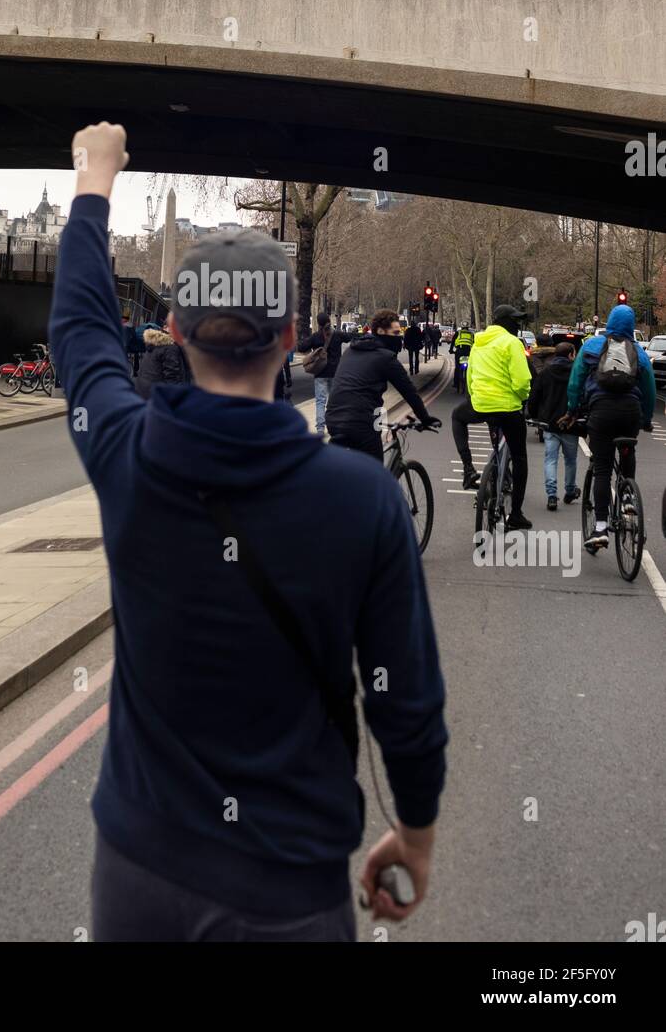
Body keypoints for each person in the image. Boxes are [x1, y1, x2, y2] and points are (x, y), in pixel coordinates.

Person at [50, 126, 448, 943]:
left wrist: (94, 180)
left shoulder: (129, 453)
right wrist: (415, 834)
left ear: (177, 331)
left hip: (138, 875)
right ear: (293, 338)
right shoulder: (361, 497)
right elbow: (401, 701)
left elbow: (82, 335)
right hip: (288, 888)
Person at [564, 304, 655, 551]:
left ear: (609, 322)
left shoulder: (592, 346)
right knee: (628, 451)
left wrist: (572, 410)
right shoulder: (638, 352)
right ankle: (627, 500)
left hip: (601, 412)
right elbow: (649, 389)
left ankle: (601, 527)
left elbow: (576, 381)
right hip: (630, 413)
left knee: (602, 469)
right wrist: (645, 419)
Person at [325, 309, 440, 461]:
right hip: (360, 421)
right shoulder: (386, 357)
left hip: (333, 418)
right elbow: (409, 391)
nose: (399, 337)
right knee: (375, 472)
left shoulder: (351, 350)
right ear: (380, 331)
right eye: (395, 333)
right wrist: (425, 418)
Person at [466, 304, 533, 529]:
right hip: (508, 408)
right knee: (520, 458)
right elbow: (522, 381)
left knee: (496, 446)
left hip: (481, 405)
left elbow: (470, 376)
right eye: (515, 321)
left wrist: (476, 398)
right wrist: (523, 398)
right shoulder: (512, 343)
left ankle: (485, 476)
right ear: (506, 322)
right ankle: (515, 513)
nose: (518, 325)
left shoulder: (478, 342)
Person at [526, 341, 580, 511]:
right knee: (570, 459)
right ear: (571, 355)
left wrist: (533, 415)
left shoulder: (546, 373)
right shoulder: (576, 373)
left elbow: (535, 395)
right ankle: (570, 490)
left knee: (551, 459)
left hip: (550, 423)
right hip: (570, 422)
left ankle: (551, 495)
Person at [298, 312, 355, 436]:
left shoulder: (316, 336)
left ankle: (320, 429)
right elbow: (350, 337)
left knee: (320, 401)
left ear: (318, 323)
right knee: (334, 401)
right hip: (335, 373)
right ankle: (335, 426)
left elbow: (302, 347)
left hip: (320, 373)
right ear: (329, 320)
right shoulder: (337, 334)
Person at [133, 320, 190, 397]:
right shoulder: (170, 347)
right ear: (165, 327)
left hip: (143, 391)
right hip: (156, 396)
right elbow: (172, 378)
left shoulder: (155, 342)